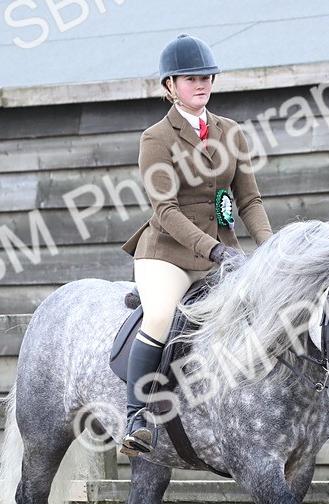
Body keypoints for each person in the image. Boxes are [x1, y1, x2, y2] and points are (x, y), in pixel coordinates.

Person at [119, 33, 273, 456]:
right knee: (162, 315)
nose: (201, 84)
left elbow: (249, 199)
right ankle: (136, 418)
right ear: (170, 86)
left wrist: (271, 248)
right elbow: (165, 210)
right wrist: (216, 251)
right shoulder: (156, 138)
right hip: (167, 252)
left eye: (206, 76)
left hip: (221, 252)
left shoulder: (231, 132)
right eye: (190, 79)